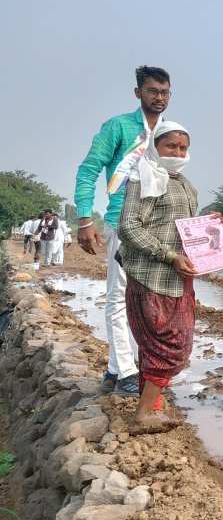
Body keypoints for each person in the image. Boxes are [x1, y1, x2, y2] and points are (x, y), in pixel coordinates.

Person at [75, 65, 171, 396]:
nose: (159, 98)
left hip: (159, 229)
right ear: (138, 93)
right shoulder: (119, 127)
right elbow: (89, 169)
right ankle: (129, 372)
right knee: (120, 296)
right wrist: (85, 218)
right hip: (122, 222)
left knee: (149, 301)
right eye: (152, 91)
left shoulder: (169, 133)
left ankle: (118, 369)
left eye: (164, 93)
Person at [119, 121, 200, 431]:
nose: (177, 152)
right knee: (171, 347)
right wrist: (169, 256)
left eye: (183, 147)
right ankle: (142, 415)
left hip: (179, 280)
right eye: (171, 146)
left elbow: (187, 227)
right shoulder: (143, 178)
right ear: (156, 146)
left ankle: (152, 405)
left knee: (158, 346)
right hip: (153, 276)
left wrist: (211, 224)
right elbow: (129, 227)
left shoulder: (186, 184)